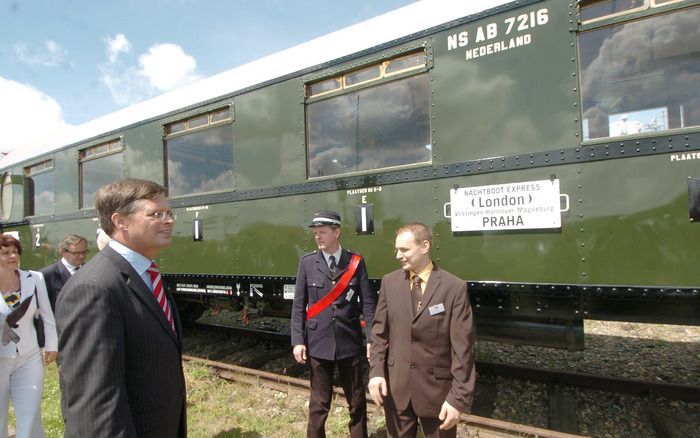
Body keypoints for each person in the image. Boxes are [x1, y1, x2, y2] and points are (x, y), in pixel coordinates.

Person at [56, 178, 187, 437]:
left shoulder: (147, 275)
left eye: (169, 213)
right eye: (156, 214)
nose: (169, 220)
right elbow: (95, 403)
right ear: (120, 221)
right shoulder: (94, 288)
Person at [368, 223, 476, 438]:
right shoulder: (390, 283)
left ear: (425, 246)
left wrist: (458, 398)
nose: (398, 255)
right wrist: (377, 372)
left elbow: (463, 349)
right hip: (397, 389)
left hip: (438, 394)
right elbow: (379, 334)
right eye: (397, 249)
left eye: (404, 250)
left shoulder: (453, 288)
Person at [291, 210, 376, 438]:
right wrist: (298, 341)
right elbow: (299, 305)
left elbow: (368, 303)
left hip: (349, 343)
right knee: (318, 405)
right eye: (315, 233)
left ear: (336, 232)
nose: (317, 237)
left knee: (357, 402)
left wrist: (372, 339)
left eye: (322, 232)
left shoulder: (355, 262)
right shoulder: (307, 263)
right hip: (319, 343)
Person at [0, 234, 58, 438]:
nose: (12, 256)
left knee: (30, 411)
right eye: (5, 252)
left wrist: (52, 344)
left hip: (29, 354)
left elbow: (47, 314)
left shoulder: (34, 278)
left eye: (15, 252)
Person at [40, 234, 88, 313]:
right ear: (62, 252)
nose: (81, 256)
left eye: (84, 252)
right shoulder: (46, 275)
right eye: (76, 253)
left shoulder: (90, 269)